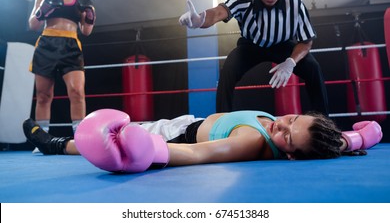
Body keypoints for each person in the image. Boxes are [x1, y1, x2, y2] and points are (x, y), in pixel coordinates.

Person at [23, 108, 382, 173]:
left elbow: (199, 154)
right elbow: (340, 142)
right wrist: (360, 136)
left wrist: (150, 151)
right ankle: (52, 141)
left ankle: (52, 143)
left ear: (289, 156)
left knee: (101, 137)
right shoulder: (318, 136)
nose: (281, 128)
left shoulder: (250, 142)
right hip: (186, 121)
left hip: (177, 134)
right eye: (291, 120)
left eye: (287, 138)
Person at [179, 0, 329, 115]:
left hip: (284, 45)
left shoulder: (296, 3)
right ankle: (222, 121)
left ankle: (324, 124)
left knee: (313, 68)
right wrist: (199, 20)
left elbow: (306, 41)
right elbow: (218, 12)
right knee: (228, 70)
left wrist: (291, 62)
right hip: (251, 46)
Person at [28, 0, 96, 145]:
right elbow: (32, 25)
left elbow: (86, 32)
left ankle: (81, 139)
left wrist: (90, 17)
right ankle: (42, 140)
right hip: (47, 44)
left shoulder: (81, 1)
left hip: (71, 46)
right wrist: (43, 12)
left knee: (77, 91)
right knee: (43, 95)